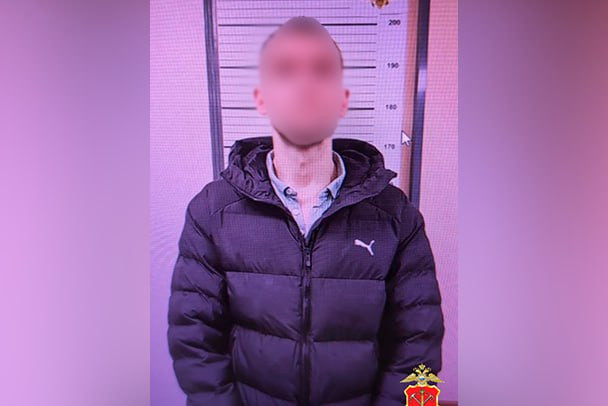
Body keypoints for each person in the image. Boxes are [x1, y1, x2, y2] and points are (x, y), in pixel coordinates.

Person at [167, 16, 445, 406]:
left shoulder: (396, 216)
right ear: (262, 98)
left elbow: (421, 348)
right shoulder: (212, 211)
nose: (305, 84)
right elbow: (194, 342)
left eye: (322, 70)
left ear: (342, 99)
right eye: (285, 71)